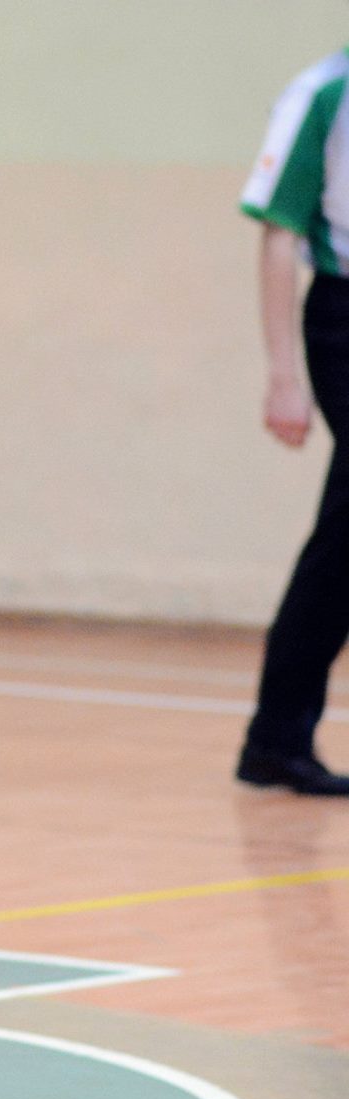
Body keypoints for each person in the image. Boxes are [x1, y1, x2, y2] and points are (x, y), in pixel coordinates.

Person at [236, 48, 349, 797]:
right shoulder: (324, 94)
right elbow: (279, 232)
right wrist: (285, 376)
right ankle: (276, 737)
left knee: (344, 540)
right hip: (344, 317)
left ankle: (275, 740)